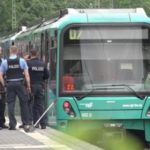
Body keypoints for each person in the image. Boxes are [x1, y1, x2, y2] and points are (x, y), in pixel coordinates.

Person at [0, 45, 31, 130]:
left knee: (11, 104)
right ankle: (25, 123)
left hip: (10, 84)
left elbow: (0, 75)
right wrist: (28, 86)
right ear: (17, 52)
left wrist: (4, 84)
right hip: (20, 84)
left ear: (10, 51)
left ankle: (12, 124)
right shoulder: (22, 61)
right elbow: (27, 75)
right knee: (24, 103)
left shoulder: (5, 62)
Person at [26, 49, 49, 129]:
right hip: (40, 86)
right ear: (37, 54)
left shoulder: (28, 63)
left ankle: (32, 122)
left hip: (31, 86)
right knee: (39, 105)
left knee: (30, 103)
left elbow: (25, 74)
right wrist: (42, 79)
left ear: (30, 54)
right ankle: (43, 124)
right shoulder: (42, 64)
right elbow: (47, 75)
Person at [0, 47, 8, 129]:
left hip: (1, 85)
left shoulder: (2, 61)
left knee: (2, 104)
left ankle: (2, 122)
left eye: (1, 51)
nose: (0, 52)